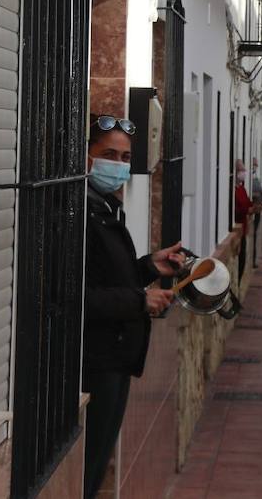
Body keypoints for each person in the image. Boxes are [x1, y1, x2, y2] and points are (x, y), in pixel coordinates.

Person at [82, 115, 186, 498]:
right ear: (85, 156)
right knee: (88, 469)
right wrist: (140, 300)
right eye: (109, 154)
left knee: (96, 465)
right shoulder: (79, 213)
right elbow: (76, 295)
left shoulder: (107, 209)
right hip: (94, 362)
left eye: (125, 157)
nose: (119, 164)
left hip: (117, 358)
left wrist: (148, 266)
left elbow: (110, 279)